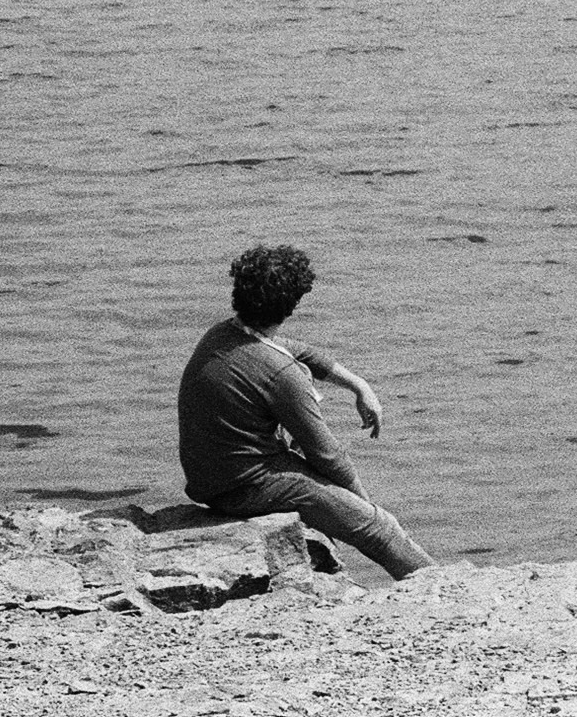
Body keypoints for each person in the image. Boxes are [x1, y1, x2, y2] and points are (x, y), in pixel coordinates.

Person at [177, 243, 434, 578]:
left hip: (209, 479)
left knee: (302, 376)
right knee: (380, 527)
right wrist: (364, 505)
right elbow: (328, 455)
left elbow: (294, 350)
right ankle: (443, 585)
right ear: (291, 307)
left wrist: (358, 384)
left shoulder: (222, 334)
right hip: (244, 489)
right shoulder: (282, 373)